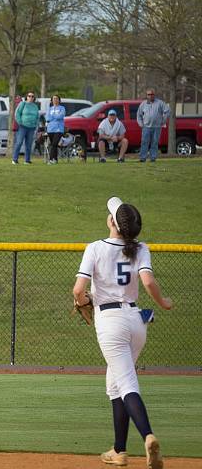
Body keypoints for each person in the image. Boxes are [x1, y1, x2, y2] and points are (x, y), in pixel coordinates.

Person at [73, 197, 173, 469]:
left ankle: (149, 436)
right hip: (136, 321)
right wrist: (163, 303)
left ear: (111, 222)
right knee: (115, 384)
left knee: (127, 385)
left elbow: (78, 290)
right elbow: (148, 281)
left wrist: (81, 302)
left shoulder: (94, 248)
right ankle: (119, 451)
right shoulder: (140, 248)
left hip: (110, 322)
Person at [136, 89, 170, 163]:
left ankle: (153, 158)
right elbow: (139, 115)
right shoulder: (143, 104)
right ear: (146, 95)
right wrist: (141, 124)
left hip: (157, 127)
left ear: (154, 95)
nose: (150, 96)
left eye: (152, 94)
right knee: (144, 142)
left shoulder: (160, 103)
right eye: (148, 94)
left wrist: (163, 121)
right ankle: (142, 158)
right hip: (146, 127)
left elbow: (167, 111)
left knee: (154, 142)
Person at [12, 91, 40, 165]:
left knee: (29, 144)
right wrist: (20, 122)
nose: (30, 97)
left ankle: (27, 160)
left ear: (34, 98)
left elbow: (37, 116)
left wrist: (36, 124)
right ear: (26, 97)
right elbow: (17, 113)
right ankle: (15, 159)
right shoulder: (23, 104)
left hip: (32, 127)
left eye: (32, 96)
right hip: (23, 126)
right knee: (19, 142)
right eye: (29, 96)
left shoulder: (35, 106)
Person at [45, 95, 66, 164]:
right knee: (54, 145)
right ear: (51, 100)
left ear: (59, 100)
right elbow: (47, 118)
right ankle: (55, 159)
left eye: (57, 98)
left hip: (59, 129)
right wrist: (55, 117)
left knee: (54, 144)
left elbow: (61, 116)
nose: (55, 100)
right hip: (50, 129)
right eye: (54, 99)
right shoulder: (49, 109)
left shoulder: (62, 108)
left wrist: (53, 116)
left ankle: (51, 160)